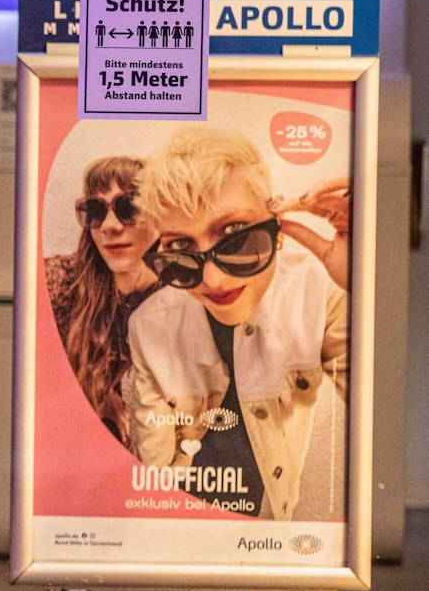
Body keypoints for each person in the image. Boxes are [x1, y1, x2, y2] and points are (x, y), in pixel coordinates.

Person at [126, 128, 348, 522]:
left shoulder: (322, 293)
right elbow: (156, 472)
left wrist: (364, 283)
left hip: (272, 539)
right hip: (185, 535)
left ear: (277, 229)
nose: (212, 280)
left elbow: (386, 422)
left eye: (234, 236)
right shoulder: (148, 326)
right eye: (181, 250)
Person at [45, 155, 156, 445]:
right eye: (94, 210)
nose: (109, 226)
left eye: (128, 207)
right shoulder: (61, 284)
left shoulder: (189, 296)